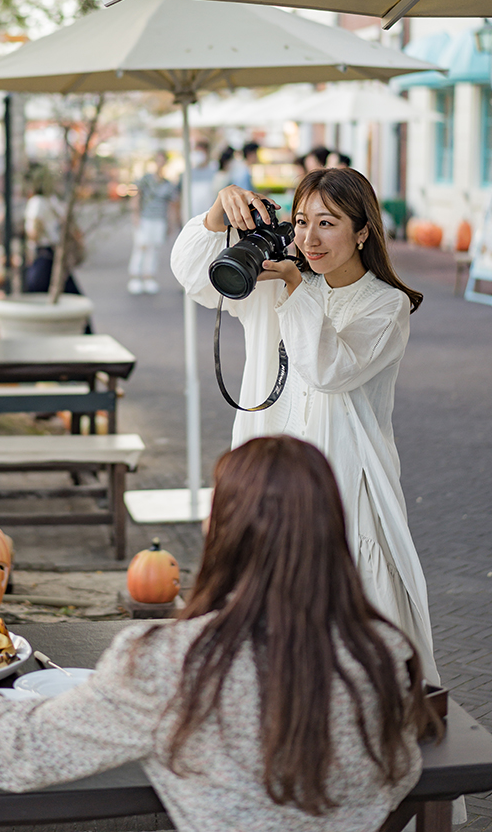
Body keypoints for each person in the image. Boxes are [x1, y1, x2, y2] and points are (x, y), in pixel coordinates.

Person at [0, 435, 433, 832]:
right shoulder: (382, 653)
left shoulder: (173, 662)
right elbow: (396, 774)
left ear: (223, 533)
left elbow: (23, 750)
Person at [171, 168, 438, 680]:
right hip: (269, 479)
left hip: (344, 484)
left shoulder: (387, 306)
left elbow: (328, 369)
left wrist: (295, 285)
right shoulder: (273, 284)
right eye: (299, 222)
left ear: (362, 231)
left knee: (345, 632)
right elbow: (192, 277)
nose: (308, 239)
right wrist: (216, 213)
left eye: (327, 223)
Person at [24, 170, 84, 296]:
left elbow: (33, 232)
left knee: (35, 292)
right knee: (68, 292)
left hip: (43, 253)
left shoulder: (37, 203)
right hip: (56, 251)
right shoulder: (52, 201)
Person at [128, 150, 178, 295]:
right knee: (141, 246)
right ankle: (135, 276)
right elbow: (137, 197)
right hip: (145, 217)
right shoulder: (146, 179)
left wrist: (171, 223)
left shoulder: (168, 184)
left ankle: (148, 276)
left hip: (159, 219)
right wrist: (135, 216)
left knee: (154, 248)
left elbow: (171, 204)